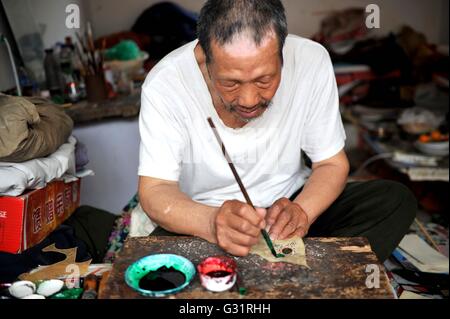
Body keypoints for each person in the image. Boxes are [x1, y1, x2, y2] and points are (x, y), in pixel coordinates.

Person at [138, 0, 416, 262]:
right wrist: (211, 223)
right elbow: (155, 190)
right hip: (207, 217)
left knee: (393, 201)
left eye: (264, 79)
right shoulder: (166, 84)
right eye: (231, 83)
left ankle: (299, 274)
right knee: (163, 257)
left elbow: (331, 164)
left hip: (290, 203)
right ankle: (305, 273)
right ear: (206, 57)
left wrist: (303, 212)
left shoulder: (311, 60)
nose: (248, 100)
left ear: (283, 51)